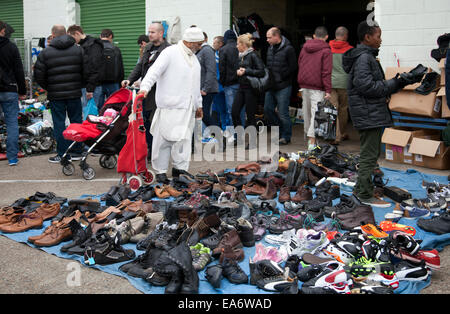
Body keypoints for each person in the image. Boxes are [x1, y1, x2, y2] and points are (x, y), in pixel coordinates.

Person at [342, 21, 413, 208]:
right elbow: (366, 86)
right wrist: (394, 83)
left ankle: (361, 189)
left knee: (369, 154)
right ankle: (365, 195)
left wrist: (396, 82)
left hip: (369, 112)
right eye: (378, 36)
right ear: (367, 37)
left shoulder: (366, 57)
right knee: (369, 155)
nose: (380, 40)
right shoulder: (364, 58)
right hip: (368, 114)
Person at [137, 26, 204, 184]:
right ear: (189, 42)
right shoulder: (170, 52)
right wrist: (144, 88)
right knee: (164, 141)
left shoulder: (194, 58)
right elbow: (154, 71)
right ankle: (160, 171)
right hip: (169, 106)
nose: (200, 47)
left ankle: (179, 169)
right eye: (199, 44)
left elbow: (195, 85)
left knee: (183, 140)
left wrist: (198, 105)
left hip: (187, 108)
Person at [34, 25, 85, 163]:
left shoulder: (46, 53)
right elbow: (86, 70)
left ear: (53, 34)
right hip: (74, 93)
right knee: (76, 122)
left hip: (56, 95)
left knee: (59, 123)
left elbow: (38, 75)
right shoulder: (78, 50)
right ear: (66, 33)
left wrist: (49, 87)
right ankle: (77, 151)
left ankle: (62, 154)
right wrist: (80, 85)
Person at [123, 22, 170, 158]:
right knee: (147, 122)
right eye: (149, 32)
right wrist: (129, 80)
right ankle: (150, 150)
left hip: (161, 93)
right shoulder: (148, 47)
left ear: (161, 33)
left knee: (158, 123)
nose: (149, 34)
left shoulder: (169, 50)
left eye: (152, 32)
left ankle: (160, 152)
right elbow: (139, 67)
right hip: (146, 93)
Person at [297, 26, 332, 151]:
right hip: (318, 87)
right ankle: (312, 143)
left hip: (304, 85)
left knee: (306, 113)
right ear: (327, 37)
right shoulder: (326, 51)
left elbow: (300, 63)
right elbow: (326, 71)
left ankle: (309, 138)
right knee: (315, 114)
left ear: (314, 36)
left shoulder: (304, 48)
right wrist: (328, 90)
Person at [264, 27, 297, 145]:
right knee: (267, 110)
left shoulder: (289, 49)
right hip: (271, 86)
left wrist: (282, 76)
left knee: (283, 113)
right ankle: (280, 130)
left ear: (276, 36)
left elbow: (293, 67)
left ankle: (286, 136)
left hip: (283, 86)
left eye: (269, 37)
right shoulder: (270, 49)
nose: (267, 40)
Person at [0, 21, 27, 166]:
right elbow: (18, 70)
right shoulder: (11, 47)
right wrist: (22, 91)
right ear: (3, 30)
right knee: (11, 123)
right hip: (9, 89)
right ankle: (12, 157)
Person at [232, 33, 265, 148]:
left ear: (243, 44)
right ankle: (240, 138)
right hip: (241, 87)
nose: (236, 46)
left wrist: (246, 71)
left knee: (250, 116)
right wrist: (238, 72)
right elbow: (239, 70)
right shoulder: (241, 55)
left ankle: (252, 142)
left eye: (238, 44)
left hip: (251, 89)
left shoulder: (253, 55)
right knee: (234, 112)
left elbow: (262, 72)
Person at [67, 25, 104, 109]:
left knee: (90, 115)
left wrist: (90, 89)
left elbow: (95, 67)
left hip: (91, 87)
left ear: (77, 33)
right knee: (86, 112)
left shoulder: (93, 45)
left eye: (72, 37)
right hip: (85, 86)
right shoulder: (82, 45)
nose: (71, 40)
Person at [329, 26, 353, 145]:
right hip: (345, 83)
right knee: (343, 109)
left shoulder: (328, 48)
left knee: (334, 108)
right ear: (345, 36)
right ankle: (340, 134)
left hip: (330, 82)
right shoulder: (350, 50)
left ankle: (337, 135)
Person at [219, 29, 244, 140]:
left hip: (229, 84)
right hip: (242, 83)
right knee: (241, 110)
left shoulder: (223, 49)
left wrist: (223, 82)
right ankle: (241, 134)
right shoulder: (242, 48)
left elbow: (222, 68)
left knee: (231, 111)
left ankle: (234, 135)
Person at [196, 32, 219, 138]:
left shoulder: (207, 50)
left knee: (204, 114)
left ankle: (219, 136)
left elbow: (211, 70)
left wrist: (205, 88)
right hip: (201, 89)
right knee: (202, 115)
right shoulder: (198, 51)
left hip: (207, 90)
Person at [96, 29, 124, 110]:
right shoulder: (116, 49)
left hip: (98, 83)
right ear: (111, 37)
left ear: (100, 36)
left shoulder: (95, 48)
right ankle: (112, 122)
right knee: (113, 107)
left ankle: (99, 122)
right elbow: (120, 67)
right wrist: (120, 83)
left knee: (99, 108)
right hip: (113, 83)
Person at [211, 35, 227, 130]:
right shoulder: (214, 53)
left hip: (221, 86)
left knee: (223, 110)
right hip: (215, 86)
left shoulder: (223, 54)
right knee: (215, 110)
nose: (213, 44)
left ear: (220, 44)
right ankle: (217, 130)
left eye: (214, 43)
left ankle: (225, 130)